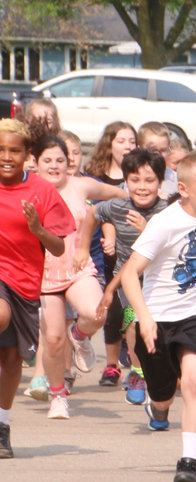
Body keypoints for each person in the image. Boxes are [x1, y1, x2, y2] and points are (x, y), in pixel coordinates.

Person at [116, 153, 196, 482]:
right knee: (163, 395)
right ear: (183, 189)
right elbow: (128, 276)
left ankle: (189, 463)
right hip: (157, 319)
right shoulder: (164, 224)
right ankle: (159, 405)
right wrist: (144, 318)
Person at [29, 137, 123, 417]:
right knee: (54, 339)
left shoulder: (80, 185)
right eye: (48, 160)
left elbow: (118, 194)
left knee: (97, 313)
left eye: (60, 160)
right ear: (36, 162)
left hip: (77, 267)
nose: (55, 166)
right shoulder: (27, 189)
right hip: (43, 275)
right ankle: (58, 396)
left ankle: (80, 336)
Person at [0, 119, 75, 458]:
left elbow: (58, 248)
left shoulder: (42, 191)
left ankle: (2, 427)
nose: (6, 157)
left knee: (12, 360)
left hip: (27, 282)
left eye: (14, 150)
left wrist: (37, 228)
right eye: (0, 150)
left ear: (27, 155)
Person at [95, 148, 176, 405]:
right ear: (125, 181)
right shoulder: (117, 206)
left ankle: (162, 378)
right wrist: (93, 244)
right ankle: (138, 374)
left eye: (149, 180)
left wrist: (147, 230)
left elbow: (171, 250)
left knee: (160, 332)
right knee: (132, 321)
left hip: (162, 282)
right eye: (135, 180)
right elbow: (94, 213)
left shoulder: (168, 212)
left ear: (161, 182)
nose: (142, 187)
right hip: (127, 280)